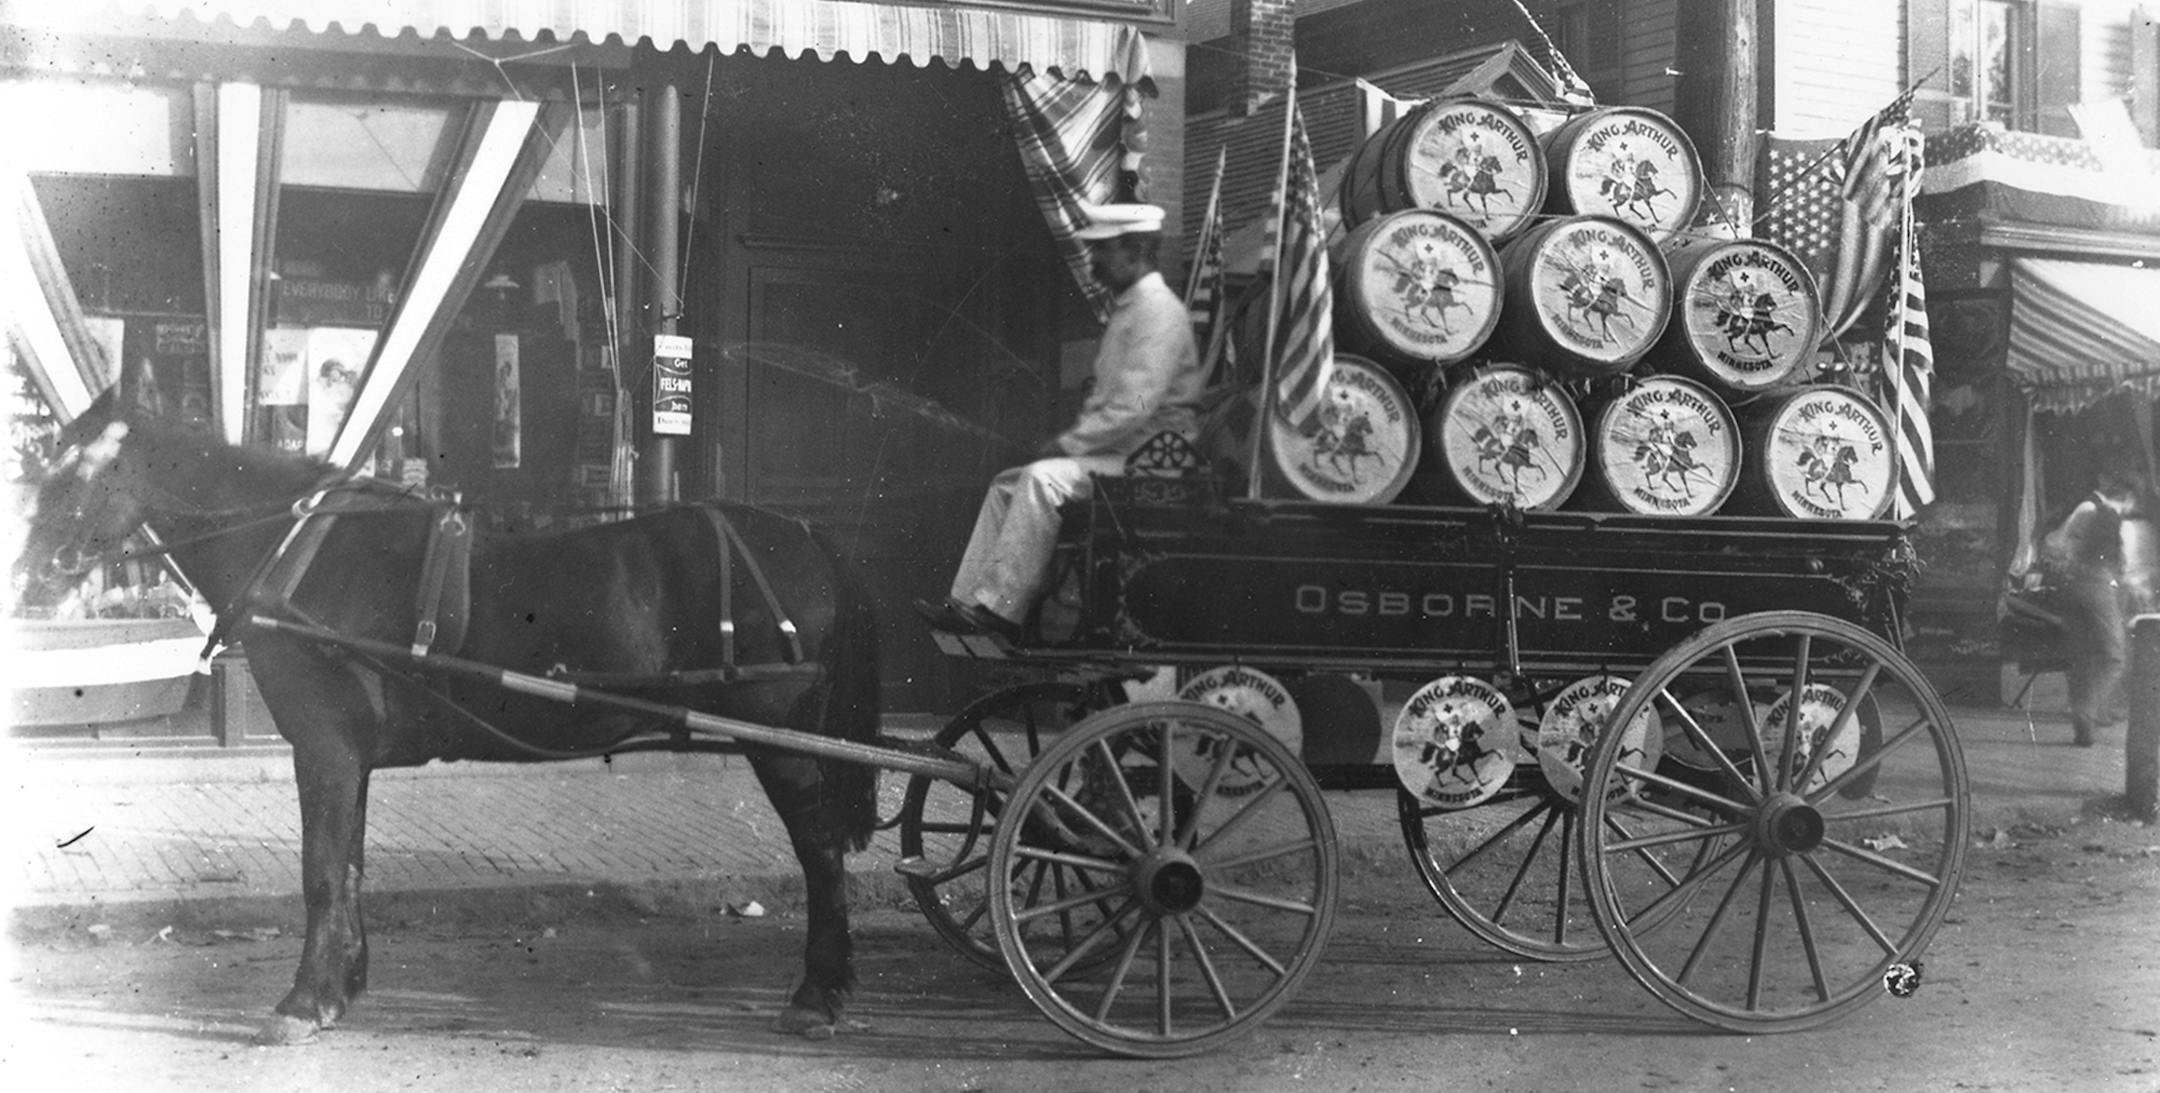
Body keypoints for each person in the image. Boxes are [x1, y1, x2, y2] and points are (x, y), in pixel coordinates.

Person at [918, 203, 1205, 642]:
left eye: (1102, 251)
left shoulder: (1159, 313)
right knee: (1005, 486)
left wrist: (1067, 446)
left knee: (1040, 480)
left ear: (1136, 251)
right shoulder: (1132, 310)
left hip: (1152, 464)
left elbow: (1133, 407)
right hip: (1121, 456)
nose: (1093, 263)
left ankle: (1000, 610)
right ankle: (969, 604)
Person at [2037, 470, 2143, 746]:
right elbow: (2129, 569)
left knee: (2085, 655)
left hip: (2074, 586)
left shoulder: (2088, 512)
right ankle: (2087, 711)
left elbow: (2054, 543)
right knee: (2114, 656)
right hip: (2100, 588)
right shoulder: (2120, 523)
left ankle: (2088, 716)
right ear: (2128, 497)